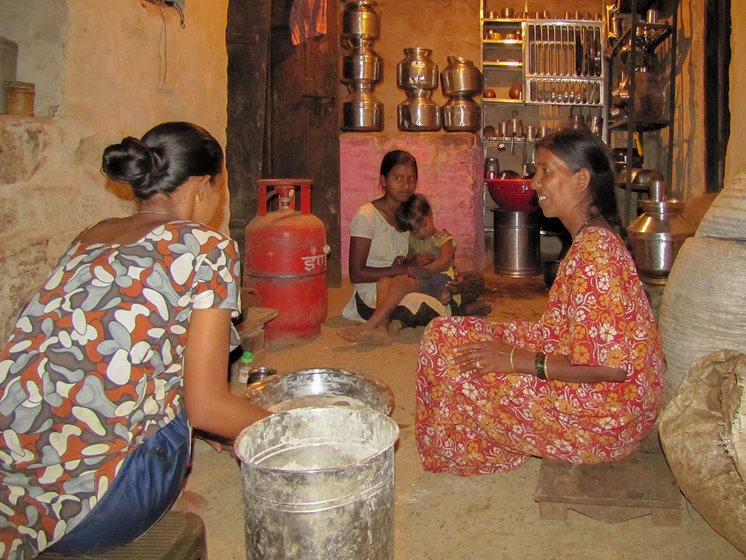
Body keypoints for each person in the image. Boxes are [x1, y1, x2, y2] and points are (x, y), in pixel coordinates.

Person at [0, 122, 270, 558]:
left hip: (12, 490)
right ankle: (159, 492)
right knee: (196, 377)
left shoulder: (92, 235)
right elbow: (205, 406)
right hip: (94, 513)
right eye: (219, 188)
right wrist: (283, 427)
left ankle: (160, 479)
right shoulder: (209, 248)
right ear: (203, 186)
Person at [415, 128, 665, 476]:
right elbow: (569, 337)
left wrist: (514, 359)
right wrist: (507, 349)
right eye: (537, 171)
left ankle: (475, 450)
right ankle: (472, 443)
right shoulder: (588, 239)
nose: (535, 183)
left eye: (546, 171)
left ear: (581, 180)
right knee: (444, 334)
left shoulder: (597, 254)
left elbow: (612, 368)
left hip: (605, 418)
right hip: (588, 381)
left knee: (453, 364)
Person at [341, 150, 450, 341]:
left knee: (431, 298)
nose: (405, 186)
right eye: (397, 178)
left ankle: (384, 326)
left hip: (404, 283)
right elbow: (356, 274)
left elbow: (433, 247)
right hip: (372, 291)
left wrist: (449, 274)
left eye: (411, 179)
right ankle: (381, 323)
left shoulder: (410, 217)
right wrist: (403, 268)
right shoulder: (367, 215)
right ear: (383, 180)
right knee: (417, 304)